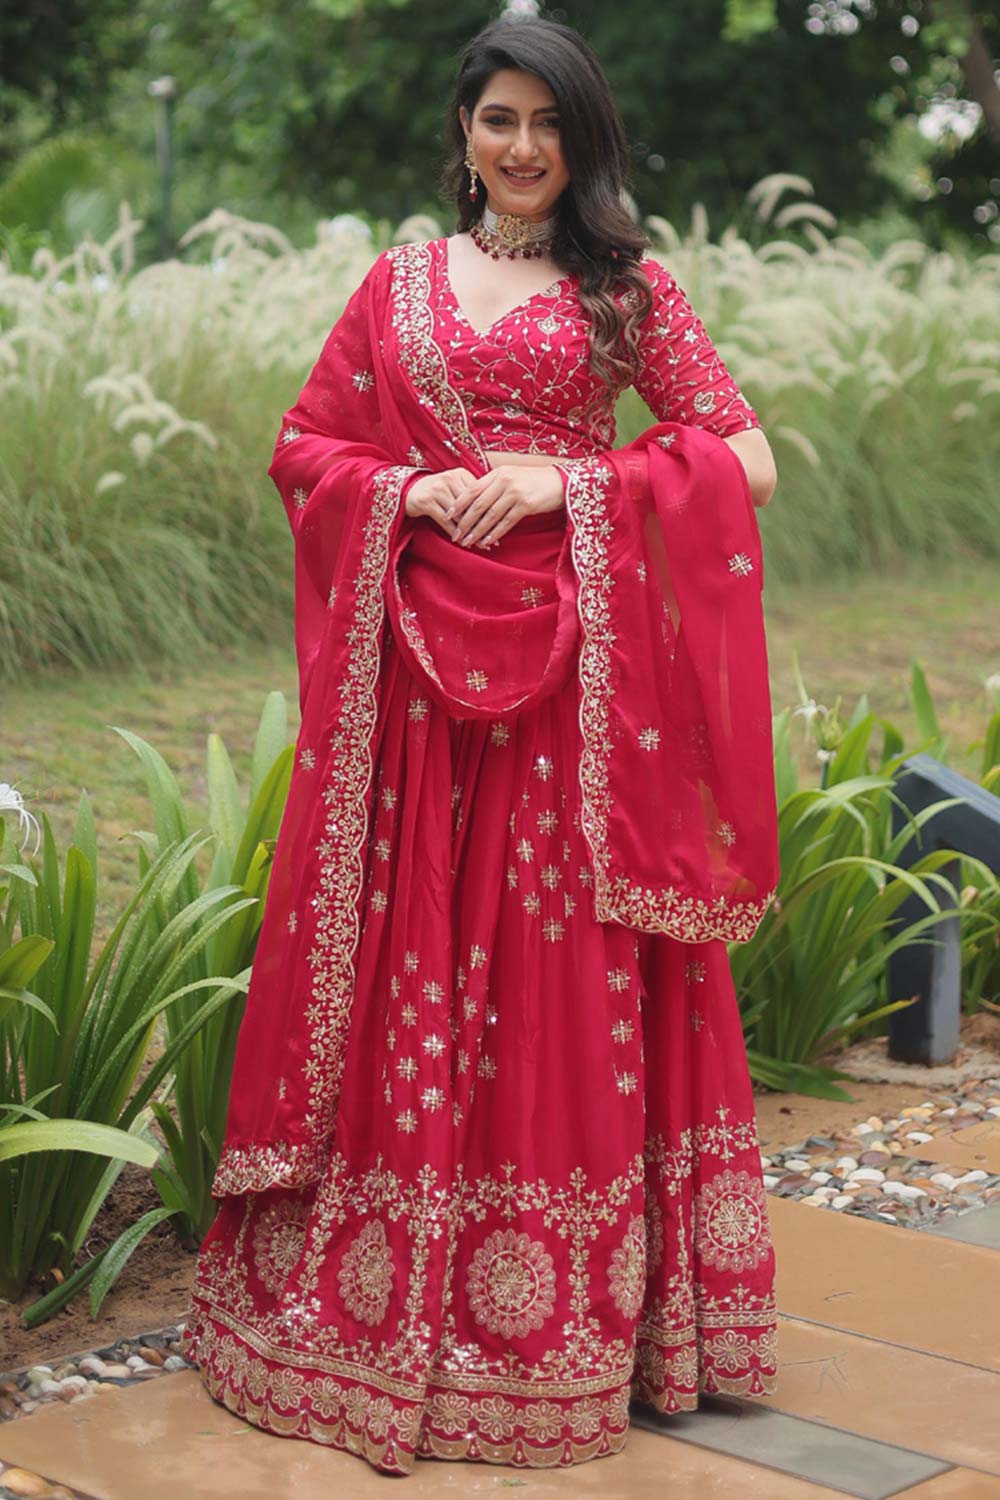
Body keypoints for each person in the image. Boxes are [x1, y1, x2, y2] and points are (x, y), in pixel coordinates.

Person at [182, 13, 781, 1478]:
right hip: (416, 702)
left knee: (555, 977)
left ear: (584, 141)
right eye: (499, 119)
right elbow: (306, 449)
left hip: (576, 704)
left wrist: (557, 483)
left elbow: (741, 453)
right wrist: (404, 494)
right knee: (415, 962)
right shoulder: (392, 288)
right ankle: (384, 1299)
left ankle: (562, 1332)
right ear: (463, 130)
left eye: (550, 124)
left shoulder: (624, 290)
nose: (523, 149)